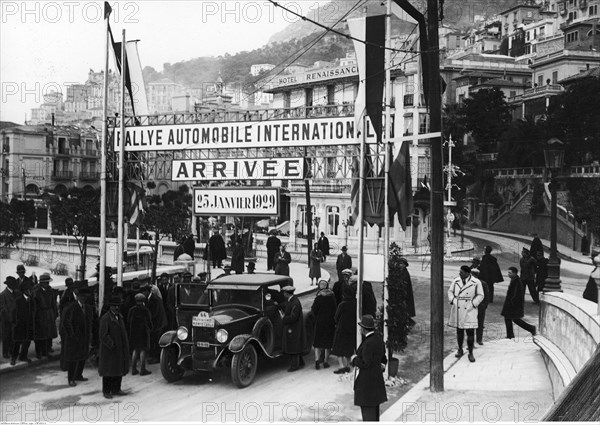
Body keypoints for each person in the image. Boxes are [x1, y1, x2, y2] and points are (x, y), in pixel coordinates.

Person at [351, 314, 388, 422]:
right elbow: (383, 359)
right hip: (376, 381)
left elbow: (365, 363)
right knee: (375, 414)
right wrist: (381, 366)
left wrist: (354, 359)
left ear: (363, 329)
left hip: (366, 385)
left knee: (368, 415)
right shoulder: (378, 340)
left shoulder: (367, 343)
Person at [447, 265, 484, 362]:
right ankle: (460, 349)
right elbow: (450, 292)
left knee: (470, 332)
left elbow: (481, 295)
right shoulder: (456, 281)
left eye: (461, 272)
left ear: (467, 273)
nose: (459, 274)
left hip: (469, 309)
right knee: (459, 331)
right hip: (458, 308)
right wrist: (453, 300)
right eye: (459, 272)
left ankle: (471, 353)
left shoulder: (476, 282)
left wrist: (473, 304)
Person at [61, 284, 94, 386]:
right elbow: (66, 322)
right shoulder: (71, 307)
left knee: (82, 356)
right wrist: (72, 335)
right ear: (77, 296)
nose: (83, 298)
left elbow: (91, 322)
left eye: (85, 297)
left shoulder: (88, 308)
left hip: (84, 336)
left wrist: (90, 334)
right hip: (74, 338)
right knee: (73, 358)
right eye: (81, 296)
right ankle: (71, 378)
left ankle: (79, 375)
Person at [98, 295, 130, 399]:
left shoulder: (120, 317)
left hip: (119, 349)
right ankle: (106, 391)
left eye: (118, 306)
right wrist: (111, 344)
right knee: (108, 371)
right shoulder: (106, 318)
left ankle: (117, 389)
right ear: (110, 306)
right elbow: (103, 335)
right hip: (110, 351)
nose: (116, 308)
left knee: (118, 369)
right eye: (114, 306)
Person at [502, 267, 537, 339]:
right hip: (511, 304)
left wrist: (512, 302)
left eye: (510, 273)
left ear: (514, 273)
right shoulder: (514, 280)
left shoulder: (517, 281)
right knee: (509, 318)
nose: (508, 274)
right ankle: (510, 334)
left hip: (513, 305)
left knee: (515, 319)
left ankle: (531, 328)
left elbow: (516, 294)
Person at [310, 279, 336, 369]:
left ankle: (317, 360)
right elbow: (335, 310)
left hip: (319, 322)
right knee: (327, 343)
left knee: (317, 342)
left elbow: (313, 310)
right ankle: (325, 361)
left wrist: (316, 318)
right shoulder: (332, 297)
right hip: (329, 322)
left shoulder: (318, 297)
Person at [139, 284, 167, 364]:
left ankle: (157, 358)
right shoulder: (150, 298)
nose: (143, 294)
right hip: (156, 322)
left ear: (147, 291)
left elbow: (154, 313)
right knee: (154, 340)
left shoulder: (154, 299)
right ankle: (154, 356)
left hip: (159, 323)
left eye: (143, 292)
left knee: (157, 340)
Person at [331, 285, 357, 374]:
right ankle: (348, 365)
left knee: (339, 349)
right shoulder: (355, 303)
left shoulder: (342, 304)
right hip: (351, 329)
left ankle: (342, 366)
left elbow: (336, 317)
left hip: (342, 329)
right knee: (348, 348)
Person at [32, 273, 58, 359]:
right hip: (40, 315)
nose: (48, 284)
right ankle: (38, 352)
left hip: (49, 314)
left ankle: (46, 351)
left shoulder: (50, 291)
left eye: (48, 282)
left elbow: (54, 303)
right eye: (46, 282)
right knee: (39, 335)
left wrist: (54, 313)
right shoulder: (36, 292)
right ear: (42, 283)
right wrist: (35, 317)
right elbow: (34, 305)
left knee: (48, 334)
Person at [281, 285, 305, 372]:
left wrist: (283, 319)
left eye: (284, 293)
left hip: (293, 328)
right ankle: (301, 362)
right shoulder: (292, 300)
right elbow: (286, 305)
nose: (283, 294)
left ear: (287, 294)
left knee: (293, 346)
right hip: (293, 327)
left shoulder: (295, 303)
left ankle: (295, 366)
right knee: (294, 345)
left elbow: (293, 317)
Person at [11, 279, 35, 365]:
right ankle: (13, 358)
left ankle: (23, 356)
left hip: (28, 325)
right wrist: (16, 324)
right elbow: (14, 313)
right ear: (25, 291)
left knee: (27, 341)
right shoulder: (18, 300)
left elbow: (33, 311)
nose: (31, 291)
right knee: (17, 342)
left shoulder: (31, 300)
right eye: (30, 290)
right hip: (19, 325)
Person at [127, 293, 153, 376]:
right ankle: (142, 369)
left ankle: (134, 369)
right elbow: (149, 322)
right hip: (143, 332)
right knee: (142, 350)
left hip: (134, 333)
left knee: (135, 350)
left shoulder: (131, 310)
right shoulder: (145, 310)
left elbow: (128, 321)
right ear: (143, 301)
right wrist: (151, 329)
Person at [0, 277, 18, 359]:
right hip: (6, 320)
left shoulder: (15, 293)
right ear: (9, 285)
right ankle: (5, 353)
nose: (14, 286)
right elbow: (3, 309)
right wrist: (9, 318)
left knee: (13, 336)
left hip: (14, 318)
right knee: (6, 337)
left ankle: (11, 351)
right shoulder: (3, 294)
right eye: (13, 284)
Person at [470, 268, 490, 345]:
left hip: (480, 306)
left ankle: (479, 339)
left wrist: (484, 305)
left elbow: (486, 296)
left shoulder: (483, 283)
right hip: (472, 306)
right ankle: (472, 341)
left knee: (480, 323)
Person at [398, 257, 416, 326]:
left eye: (402, 264)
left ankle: (409, 323)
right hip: (405, 294)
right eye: (400, 263)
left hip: (405, 294)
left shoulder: (404, 273)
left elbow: (403, 283)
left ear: (404, 265)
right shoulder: (402, 271)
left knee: (405, 310)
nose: (400, 265)